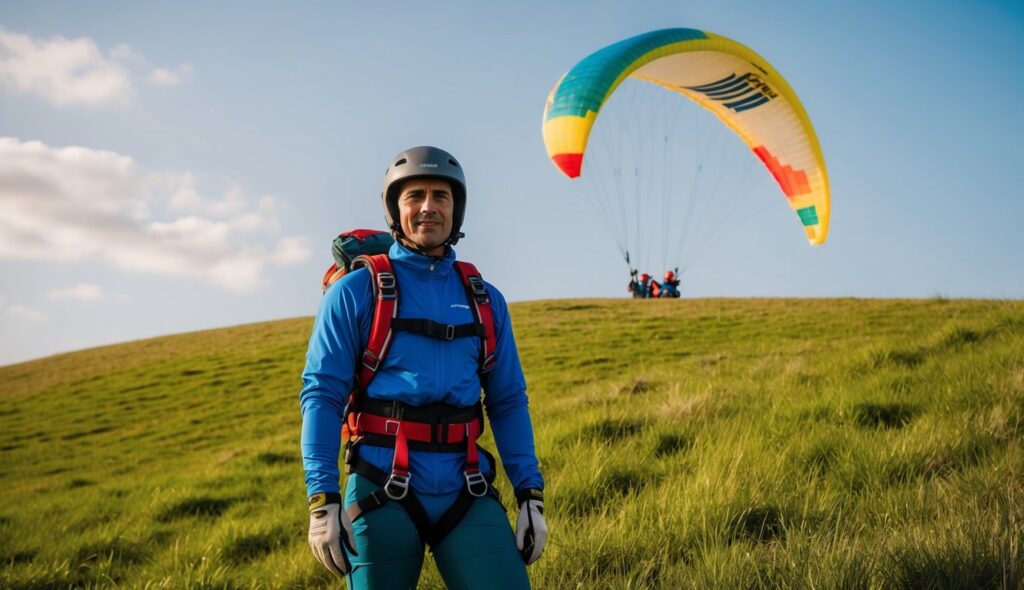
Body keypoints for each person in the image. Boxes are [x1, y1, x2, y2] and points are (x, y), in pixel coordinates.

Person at [300, 146, 546, 589]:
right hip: (380, 486)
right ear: (396, 208)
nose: (428, 207)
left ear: (457, 210)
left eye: (441, 196)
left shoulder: (485, 298)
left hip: (466, 487)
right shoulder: (356, 292)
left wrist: (530, 495)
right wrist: (323, 501)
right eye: (415, 195)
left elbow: (508, 400)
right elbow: (322, 395)